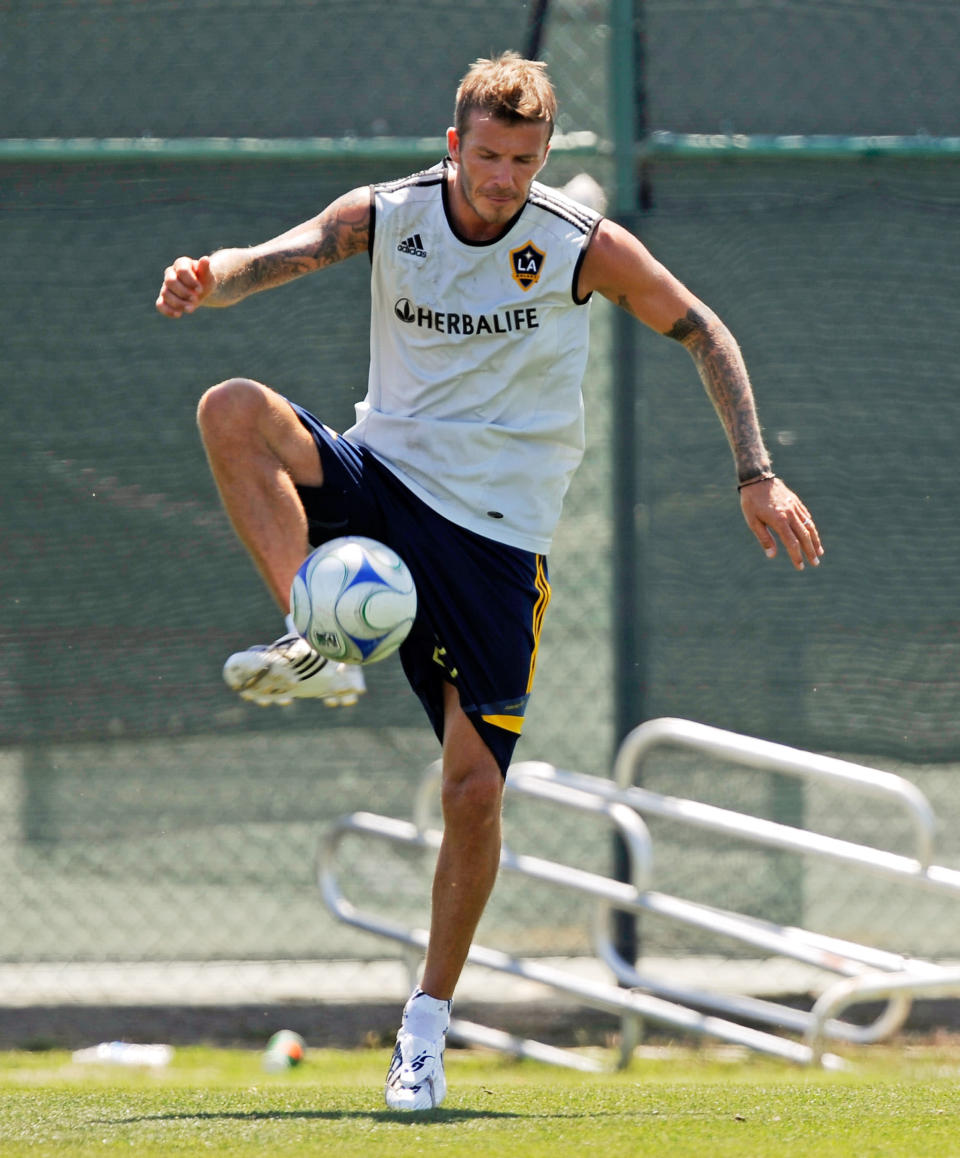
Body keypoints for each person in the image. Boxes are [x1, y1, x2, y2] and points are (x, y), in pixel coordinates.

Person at [156, 51, 823, 1110]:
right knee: (230, 408)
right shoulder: (391, 215)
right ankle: (314, 635)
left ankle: (425, 1027)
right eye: (489, 155)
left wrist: (757, 472)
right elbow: (279, 256)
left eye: (524, 159)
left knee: (472, 793)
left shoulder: (577, 245)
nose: (503, 177)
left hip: (497, 539)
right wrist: (213, 275)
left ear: (544, 156)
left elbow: (704, 330)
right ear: (453, 141)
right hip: (386, 476)